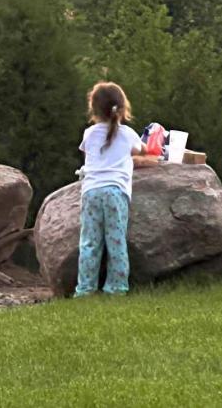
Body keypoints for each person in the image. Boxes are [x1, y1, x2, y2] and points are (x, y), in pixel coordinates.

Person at [75, 81, 151, 297]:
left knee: (90, 242)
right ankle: (116, 288)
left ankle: (85, 289)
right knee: (115, 241)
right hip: (116, 192)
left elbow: (91, 155)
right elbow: (143, 150)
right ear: (123, 108)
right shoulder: (128, 134)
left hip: (91, 192)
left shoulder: (89, 134)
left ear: (93, 108)